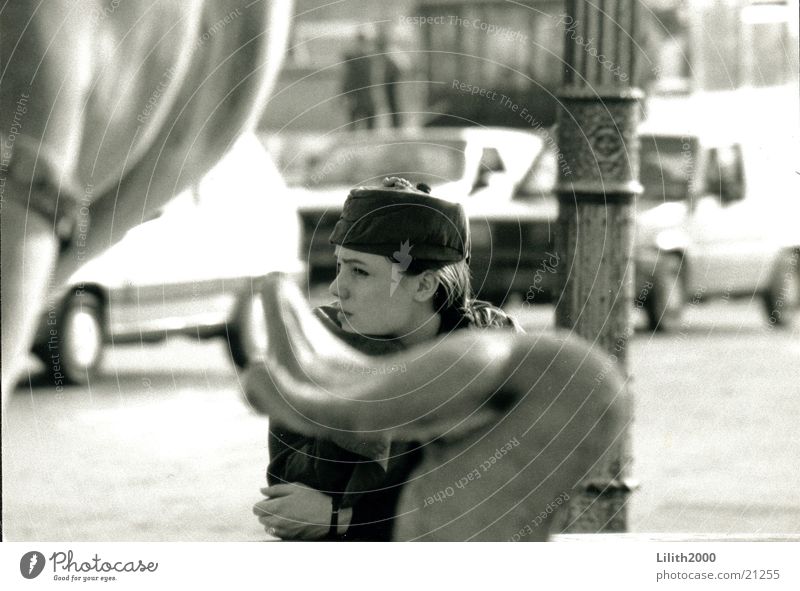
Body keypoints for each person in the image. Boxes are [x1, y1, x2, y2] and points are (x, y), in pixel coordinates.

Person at [252, 176, 521, 541]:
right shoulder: (320, 339)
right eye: (340, 266)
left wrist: (345, 519)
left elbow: (493, 497)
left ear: (424, 285)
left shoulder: (493, 348)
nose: (336, 288)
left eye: (359, 271)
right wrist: (352, 387)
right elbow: (288, 491)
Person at [340, 32, 376, 130]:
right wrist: (345, 95)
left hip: (364, 96)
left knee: (369, 125)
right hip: (357, 96)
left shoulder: (367, 59)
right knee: (354, 124)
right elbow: (348, 79)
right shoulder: (355, 60)